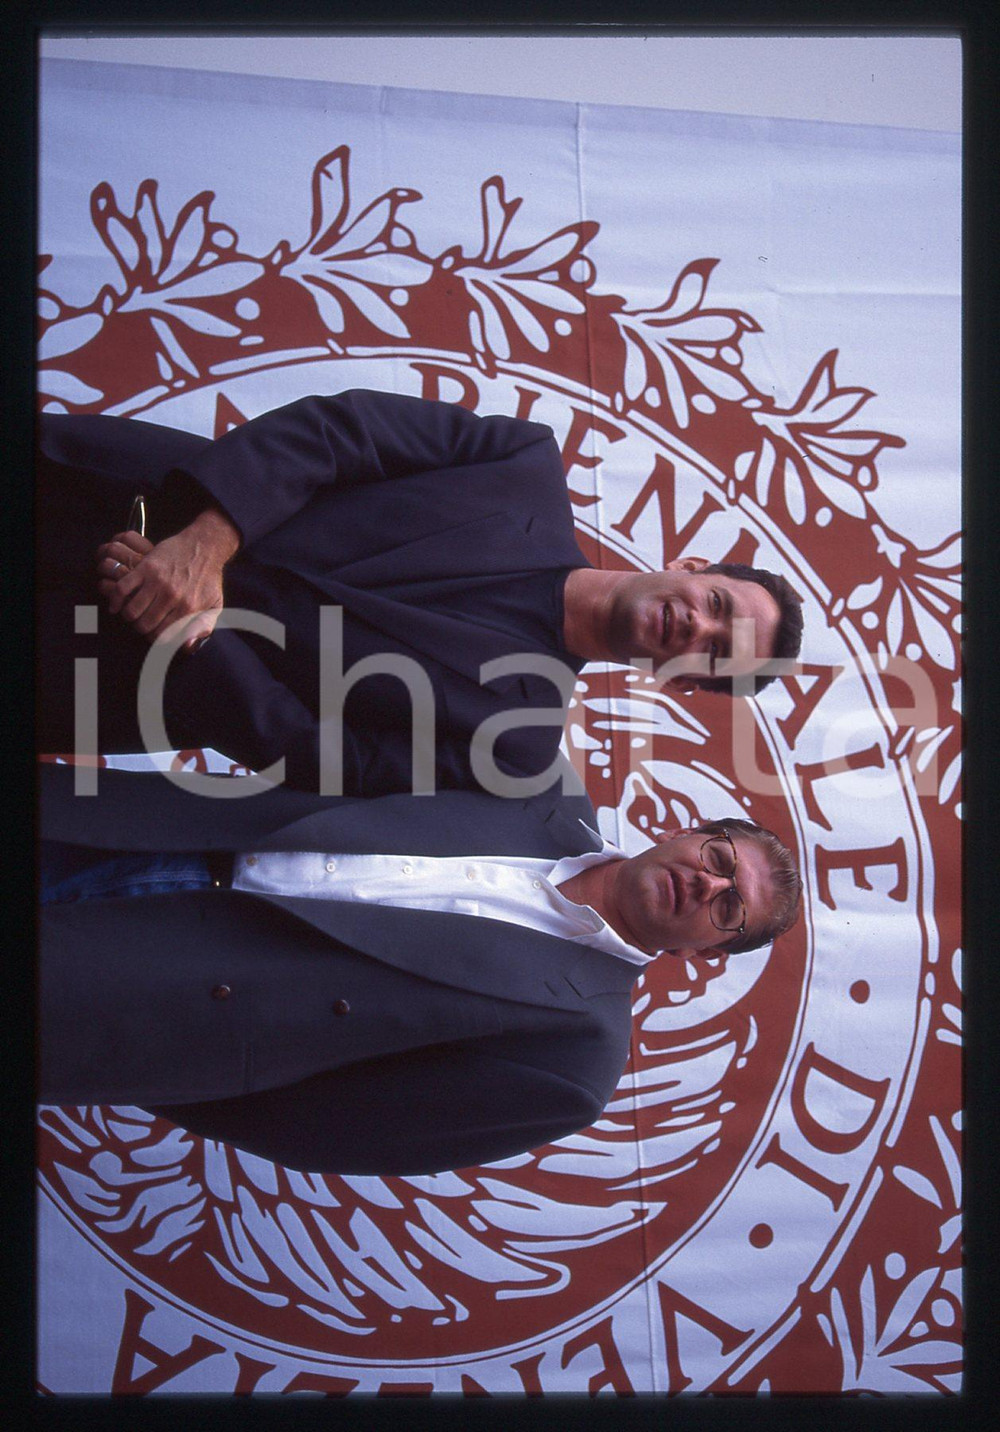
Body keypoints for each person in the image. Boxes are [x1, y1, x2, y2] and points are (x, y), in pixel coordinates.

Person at [39, 761, 802, 1175]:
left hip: (140, 989)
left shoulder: (575, 1057)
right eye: (718, 859)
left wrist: (158, 1060)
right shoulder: (536, 776)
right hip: (137, 827)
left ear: (704, 954)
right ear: (688, 831)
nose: (710, 883)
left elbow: (336, 1132)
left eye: (730, 908)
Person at [37, 389, 804, 795]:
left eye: (714, 657)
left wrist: (197, 632)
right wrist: (206, 542)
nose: (696, 629)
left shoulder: (518, 742)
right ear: (698, 566)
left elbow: (316, 755)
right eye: (718, 609)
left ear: (686, 684)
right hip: (110, 499)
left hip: (102, 678)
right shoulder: (521, 461)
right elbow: (340, 433)